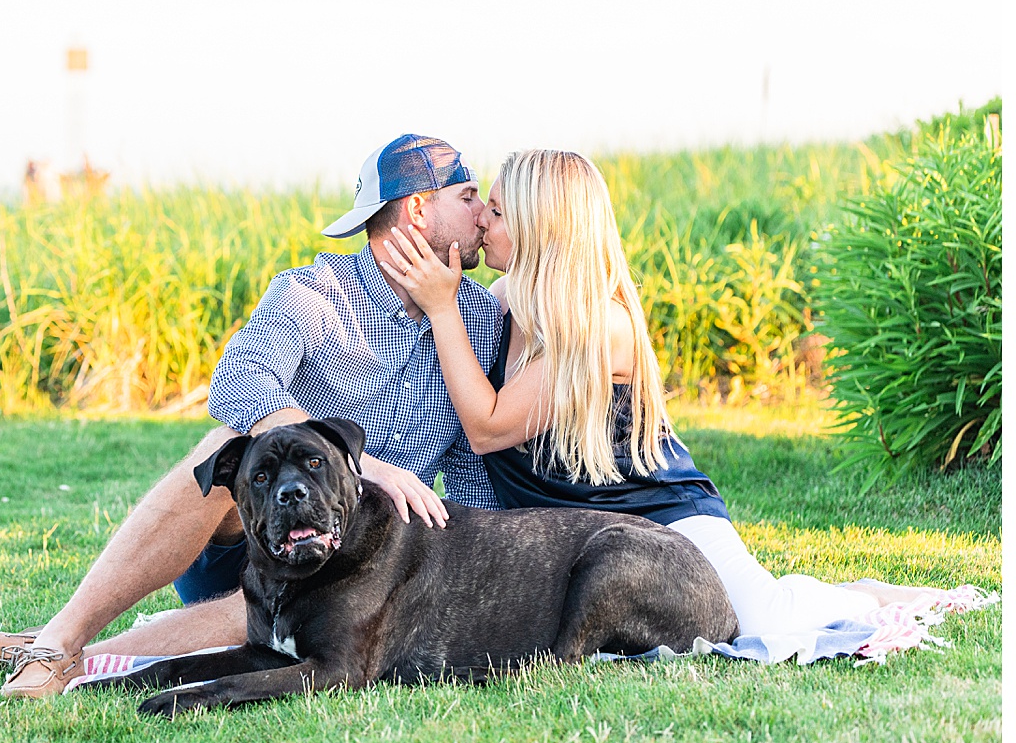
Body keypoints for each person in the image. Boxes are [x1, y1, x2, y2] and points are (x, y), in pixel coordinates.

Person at [0, 134, 507, 697]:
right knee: (222, 444)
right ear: (418, 209)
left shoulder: (477, 319)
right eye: (468, 195)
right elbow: (237, 381)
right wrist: (362, 466)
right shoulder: (313, 293)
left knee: (276, 607)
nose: (483, 213)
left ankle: (78, 658)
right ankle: (58, 640)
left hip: (347, 559)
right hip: (245, 527)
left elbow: (473, 475)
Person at [379, 147, 942, 636]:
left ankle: (868, 596)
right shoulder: (503, 301)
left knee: (766, 621)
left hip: (660, 517)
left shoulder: (602, 326)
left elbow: (487, 428)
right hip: (578, 533)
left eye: (497, 212)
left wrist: (441, 307)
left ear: (541, 225)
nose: (481, 221)